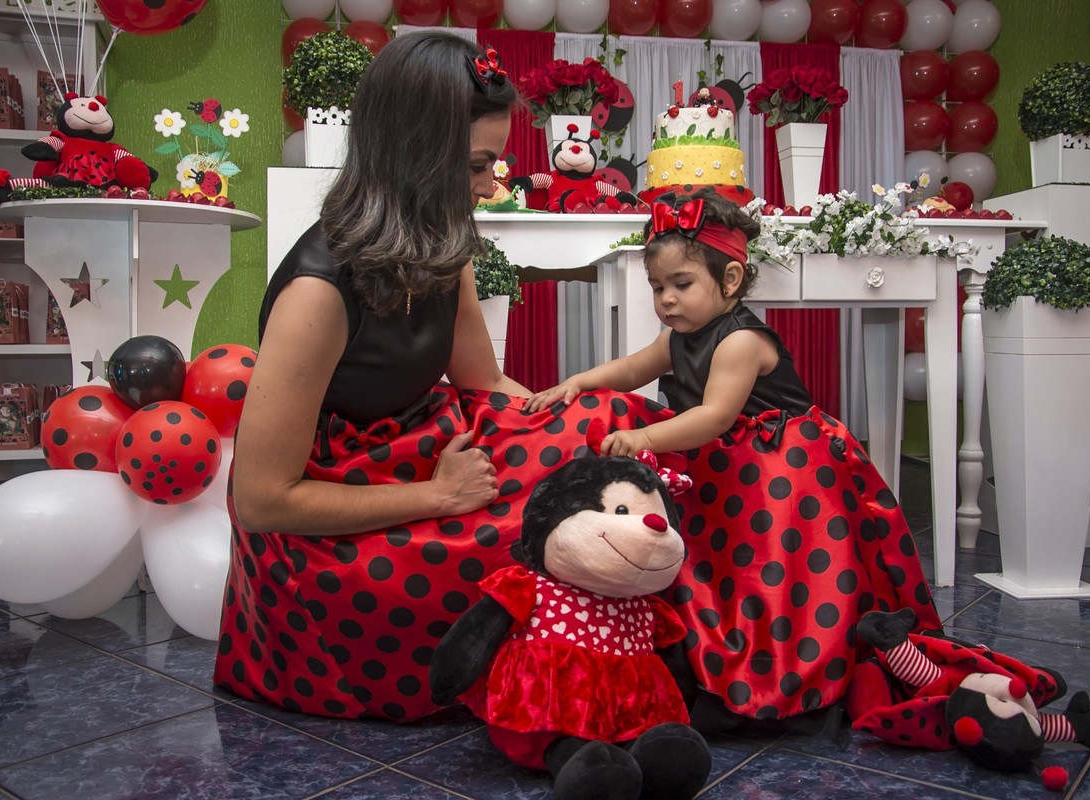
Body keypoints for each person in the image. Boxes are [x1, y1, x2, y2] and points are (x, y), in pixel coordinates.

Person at [213, 31, 662, 722]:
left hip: (423, 456)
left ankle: (659, 654)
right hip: (336, 527)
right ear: (415, 153)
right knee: (550, 529)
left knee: (618, 436)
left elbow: (486, 385)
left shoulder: (441, 244)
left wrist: (575, 419)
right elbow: (263, 502)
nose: (491, 184)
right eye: (479, 165)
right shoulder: (318, 292)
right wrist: (438, 495)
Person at [526, 187, 942, 727]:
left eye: (681, 285)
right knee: (713, 553)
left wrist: (643, 439)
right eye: (657, 287)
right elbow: (631, 369)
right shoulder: (679, 335)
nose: (666, 300)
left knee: (769, 568)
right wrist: (578, 382)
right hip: (732, 462)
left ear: (729, 281)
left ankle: (782, 667)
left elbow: (715, 416)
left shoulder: (741, 340)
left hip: (785, 464)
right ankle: (702, 651)